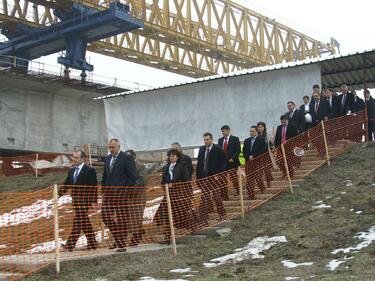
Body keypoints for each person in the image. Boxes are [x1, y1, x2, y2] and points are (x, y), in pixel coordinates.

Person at [101, 138, 137, 252]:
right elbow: (105, 176)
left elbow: (132, 177)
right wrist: (103, 191)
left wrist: (126, 191)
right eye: (110, 147)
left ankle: (121, 243)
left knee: (122, 219)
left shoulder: (126, 158)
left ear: (119, 146)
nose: (111, 149)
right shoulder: (107, 159)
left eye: (113, 147)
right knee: (105, 216)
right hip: (109, 194)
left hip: (121, 194)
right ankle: (118, 237)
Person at [59, 151, 98, 251]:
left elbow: (94, 187)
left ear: (82, 159)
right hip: (76, 201)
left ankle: (70, 245)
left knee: (78, 221)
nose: (74, 159)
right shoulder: (71, 171)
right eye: (73, 157)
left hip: (85, 201)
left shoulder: (90, 170)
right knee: (84, 222)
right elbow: (67, 184)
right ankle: (92, 243)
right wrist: (58, 194)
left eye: (76, 158)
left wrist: (93, 201)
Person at [154, 149, 192, 242]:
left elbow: (186, 180)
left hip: (180, 194)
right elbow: (163, 180)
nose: (171, 158)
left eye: (173, 156)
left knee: (180, 213)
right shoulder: (166, 167)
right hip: (169, 194)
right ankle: (167, 237)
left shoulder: (182, 166)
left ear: (177, 157)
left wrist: (176, 185)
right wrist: (165, 185)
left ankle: (190, 229)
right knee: (166, 214)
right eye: (170, 156)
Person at [196, 132, 227, 226]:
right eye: (204, 140)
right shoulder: (201, 150)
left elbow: (224, 163)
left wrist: (218, 174)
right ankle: (203, 220)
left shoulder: (218, 149)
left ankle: (222, 214)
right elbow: (199, 165)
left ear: (212, 139)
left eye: (207, 139)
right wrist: (198, 178)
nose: (206, 141)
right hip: (204, 178)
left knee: (216, 197)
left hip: (214, 178)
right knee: (204, 199)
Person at [125, 150, 148, 247]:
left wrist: (130, 191)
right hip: (126, 197)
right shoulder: (125, 167)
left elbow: (141, 181)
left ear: (134, 157)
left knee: (136, 217)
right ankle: (139, 232)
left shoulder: (140, 166)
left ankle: (135, 238)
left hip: (137, 197)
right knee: (127, 218)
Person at [242, 126, 267, 199]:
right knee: (249, 179)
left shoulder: (261, 139)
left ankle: (262, 188)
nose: (251, 133)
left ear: (256, 131)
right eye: (250, 131)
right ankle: (251, 195)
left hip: (257, 162)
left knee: (258, 177)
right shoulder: (246, 140)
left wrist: (254, 156)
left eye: (252, 131)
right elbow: (244, 151)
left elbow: (263, 150)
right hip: (248, 163)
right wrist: (248, 156)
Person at [218, 125, 241, 198]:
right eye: (222, 131)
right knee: (222, 179)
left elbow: (238, 150)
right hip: (223, 164)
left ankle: (238, 190)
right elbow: (219, 151)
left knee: (233, 178)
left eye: (224, 131)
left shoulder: (235, 139)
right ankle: (224, 195)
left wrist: (233, 158)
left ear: (228, 131)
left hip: (232, 163)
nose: (223, 133)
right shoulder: (220, 140)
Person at [257, 121, 274, 189]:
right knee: (260, 171)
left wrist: (272, 148)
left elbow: (270, 143)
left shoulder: (266, 135)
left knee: (267, 170)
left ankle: (268, 182)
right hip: (258, 156)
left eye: (261, 127)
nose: (260, 128)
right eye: (258, 127)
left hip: (266, 155)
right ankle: (262, 185)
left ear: (264, 127)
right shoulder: (257, 136)